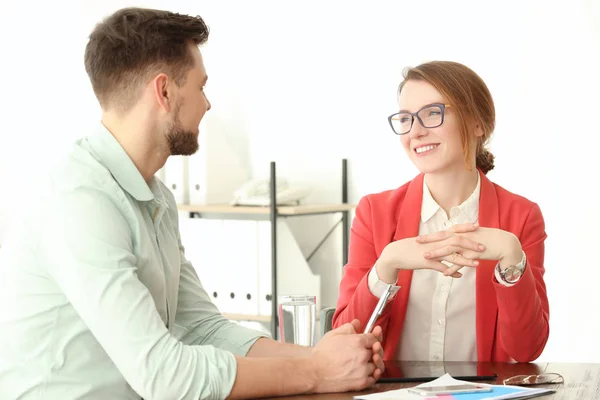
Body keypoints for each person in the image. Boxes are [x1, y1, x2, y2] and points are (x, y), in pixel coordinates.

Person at [0, 7, 385, 400]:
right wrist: (315, 371)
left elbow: (204, 329)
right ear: (164, 92)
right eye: (201, 87)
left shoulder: (154, 196)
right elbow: (164, 375)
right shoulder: (79, 200)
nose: (207, 104)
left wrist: (325, 358)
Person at [333, 61, 549, 364]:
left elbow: (526, 349)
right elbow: (346, 341)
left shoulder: (521, 216)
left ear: (477, 123)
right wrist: (388, 262)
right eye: (406, 118)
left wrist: (511, 255)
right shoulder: (374, 213)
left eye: (433, 113)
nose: (416, 132)